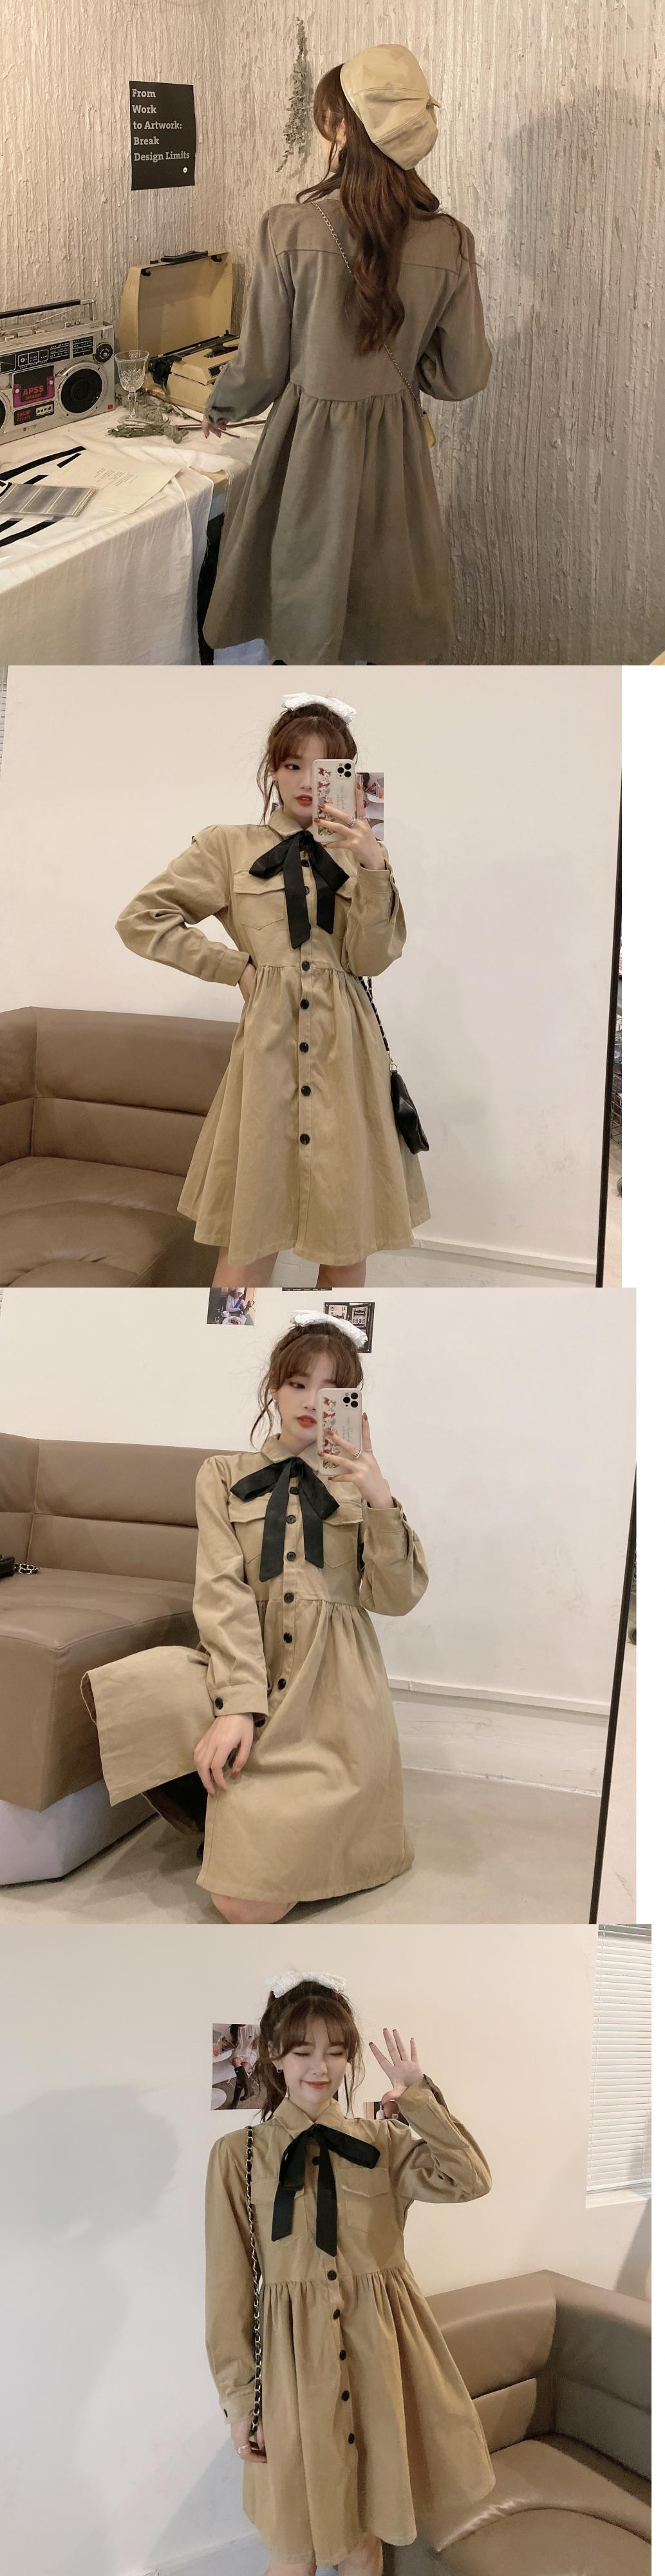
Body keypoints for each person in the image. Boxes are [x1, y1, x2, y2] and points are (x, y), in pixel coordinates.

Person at [81, 1317, 427, 1923]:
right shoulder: (222, 1474)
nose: (311, 1401)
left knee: (244, 1906)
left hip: (331, 1696)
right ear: (273, 1388)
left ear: (351, 1403)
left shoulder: (357, 1486)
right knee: (132, 1691)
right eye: (298, 1383)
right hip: (243, 1667)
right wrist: (238, 1704)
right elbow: (221, 1591)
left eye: (332, 1390)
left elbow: (395, 1597)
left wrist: (378, 1497)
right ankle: (233, 1817)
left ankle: (272, 1832)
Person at [115, 694, 429, 1287]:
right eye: (292, 765)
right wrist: (234, 967)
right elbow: (142, 919)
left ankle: (334, 1340)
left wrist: (371, 864)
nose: (308, 781)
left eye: (325, 767)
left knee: (346, 1240)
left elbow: (371, 959)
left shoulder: (362, 854)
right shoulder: (227, 846)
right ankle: (228, 1337)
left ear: (348, 776)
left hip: (347, 1055)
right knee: (247, 1238)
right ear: (272, 771)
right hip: (267, 1055)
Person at [201, 43, 491, 662]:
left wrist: (221, 405)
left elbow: (260, 368)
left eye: (325, 119)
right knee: (383, 615)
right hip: (396, 454)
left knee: (305, 606)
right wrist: (405, 356)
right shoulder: (451, 242)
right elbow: (461, 377)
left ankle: (308, 719)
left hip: (307, 450)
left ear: (340, 126)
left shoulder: (290, 228)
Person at [205, 1976, 495, 2572]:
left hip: (380, 2361)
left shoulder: (384, 2142)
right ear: (274, 2054)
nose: (320, 2067)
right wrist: (239, 2402)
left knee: (365, 2537)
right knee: (294, 2547)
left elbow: (469, 2180)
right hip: (291, 2371)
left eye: (335, 2051)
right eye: (303, 2050)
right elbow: (227, 2290)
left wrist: (420, 2097)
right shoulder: (239, 2154)